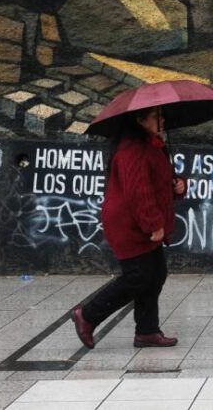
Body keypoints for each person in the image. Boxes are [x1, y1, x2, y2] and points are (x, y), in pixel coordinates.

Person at [71, 106, 185, 348]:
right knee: (138, 276)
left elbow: (159, 180)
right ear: (139, 120)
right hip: (129, 223)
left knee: (155, 274)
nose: (162, 119)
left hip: (141, 219)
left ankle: (147, 331)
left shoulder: (153, 145)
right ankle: (87, 315)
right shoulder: (132, 150)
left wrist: (179, 184)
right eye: (156, 116)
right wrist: (153, 224)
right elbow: (138, 192)